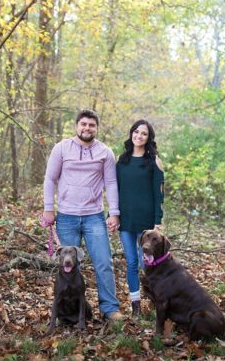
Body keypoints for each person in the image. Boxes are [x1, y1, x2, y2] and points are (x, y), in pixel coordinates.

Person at [41, 109, 123, 322]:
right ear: (77, 126)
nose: (87, 128)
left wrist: (114, 213)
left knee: (104, 262)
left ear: (97, 128)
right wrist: (48, 208)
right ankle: (67, 314)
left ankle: (110, 309)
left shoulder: (105, 152)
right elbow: (50, 179)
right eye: (83, 124)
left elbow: (111, 183)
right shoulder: (61, 148)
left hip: (94, 217)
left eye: (91, 125)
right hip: (66, 216)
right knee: (67, 267)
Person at [115, 119, 165, 318]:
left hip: (146, 223)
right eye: (136, 132)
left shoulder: (154, 161)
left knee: (148, 263)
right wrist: (115, 214)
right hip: (126, 221)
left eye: (144, 133)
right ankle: (135, 306)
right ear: (131, 134)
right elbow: (115, 190)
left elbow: (159, 194)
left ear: (148, 137)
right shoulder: (122, 161)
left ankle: (156, 300)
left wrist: (158, 221)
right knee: (131, 262)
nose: (139, 136)